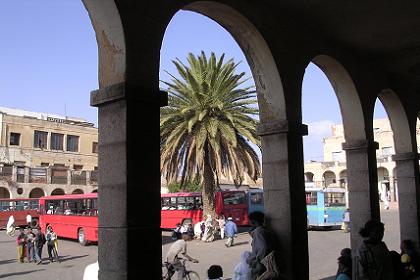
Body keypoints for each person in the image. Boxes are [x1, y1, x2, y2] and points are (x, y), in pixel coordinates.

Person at [247, 211, 276, 280]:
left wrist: (257, 261)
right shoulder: (265, 230)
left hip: (261, 265)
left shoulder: (258, 232)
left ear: (253, 221)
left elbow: (263, 247)